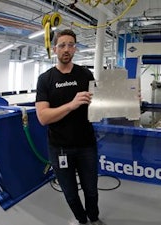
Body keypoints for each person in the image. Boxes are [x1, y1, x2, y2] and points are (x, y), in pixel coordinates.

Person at [35, 29, 105, 225]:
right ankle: (82, 220)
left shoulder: (85, 74)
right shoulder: (45, 79)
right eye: (62, 45)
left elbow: (100, 102)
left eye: (71, 45)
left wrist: (128, 99)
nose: (67, 49)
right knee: (71, 193)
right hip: (59, 148)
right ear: (55, 49)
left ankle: (93, 218)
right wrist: (71, 105)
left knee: (91, 190)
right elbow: (43, 117)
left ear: (75, 48)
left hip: (86, 145)